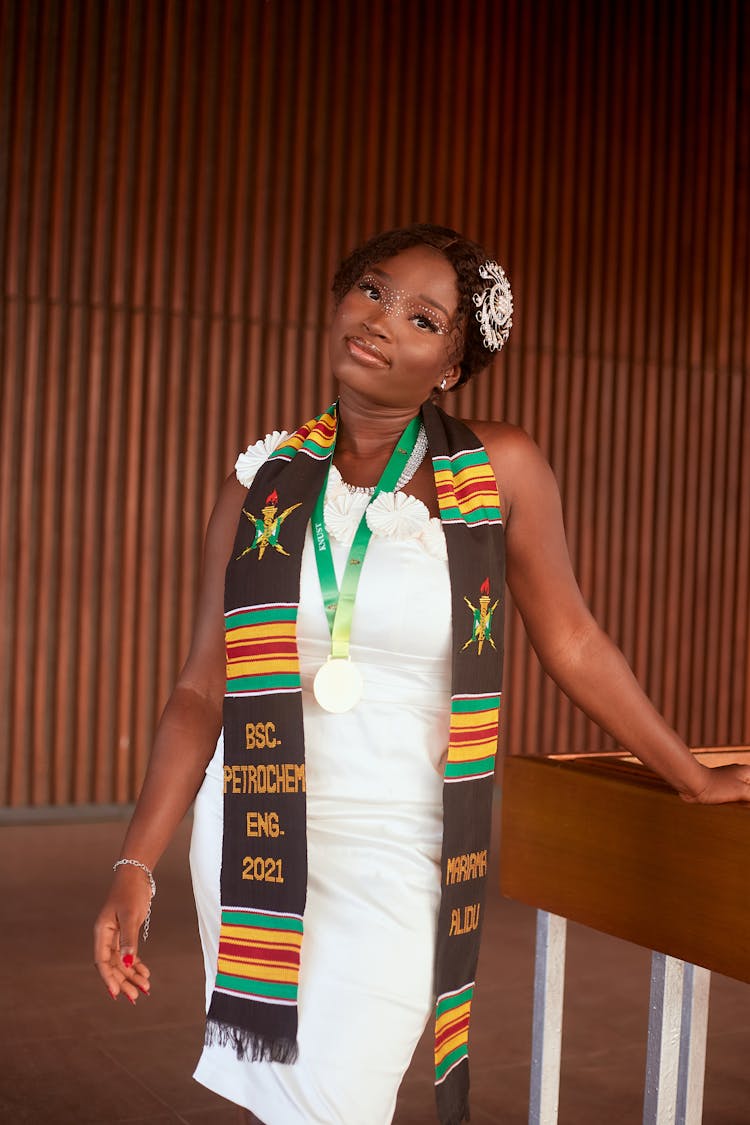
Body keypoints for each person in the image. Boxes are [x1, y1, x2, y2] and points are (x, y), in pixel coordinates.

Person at [94, 224, 750, 1125]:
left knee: (345, 1089)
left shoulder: (497, 469)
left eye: (421, 316)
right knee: (298, 1102)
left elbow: (573, 641)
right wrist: (136, 864)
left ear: (451, 362)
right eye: (371, 290)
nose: (380, 321)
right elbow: (201, 688)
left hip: (404, 842)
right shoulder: (261, 482)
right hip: (257, 825)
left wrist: (692, 775)